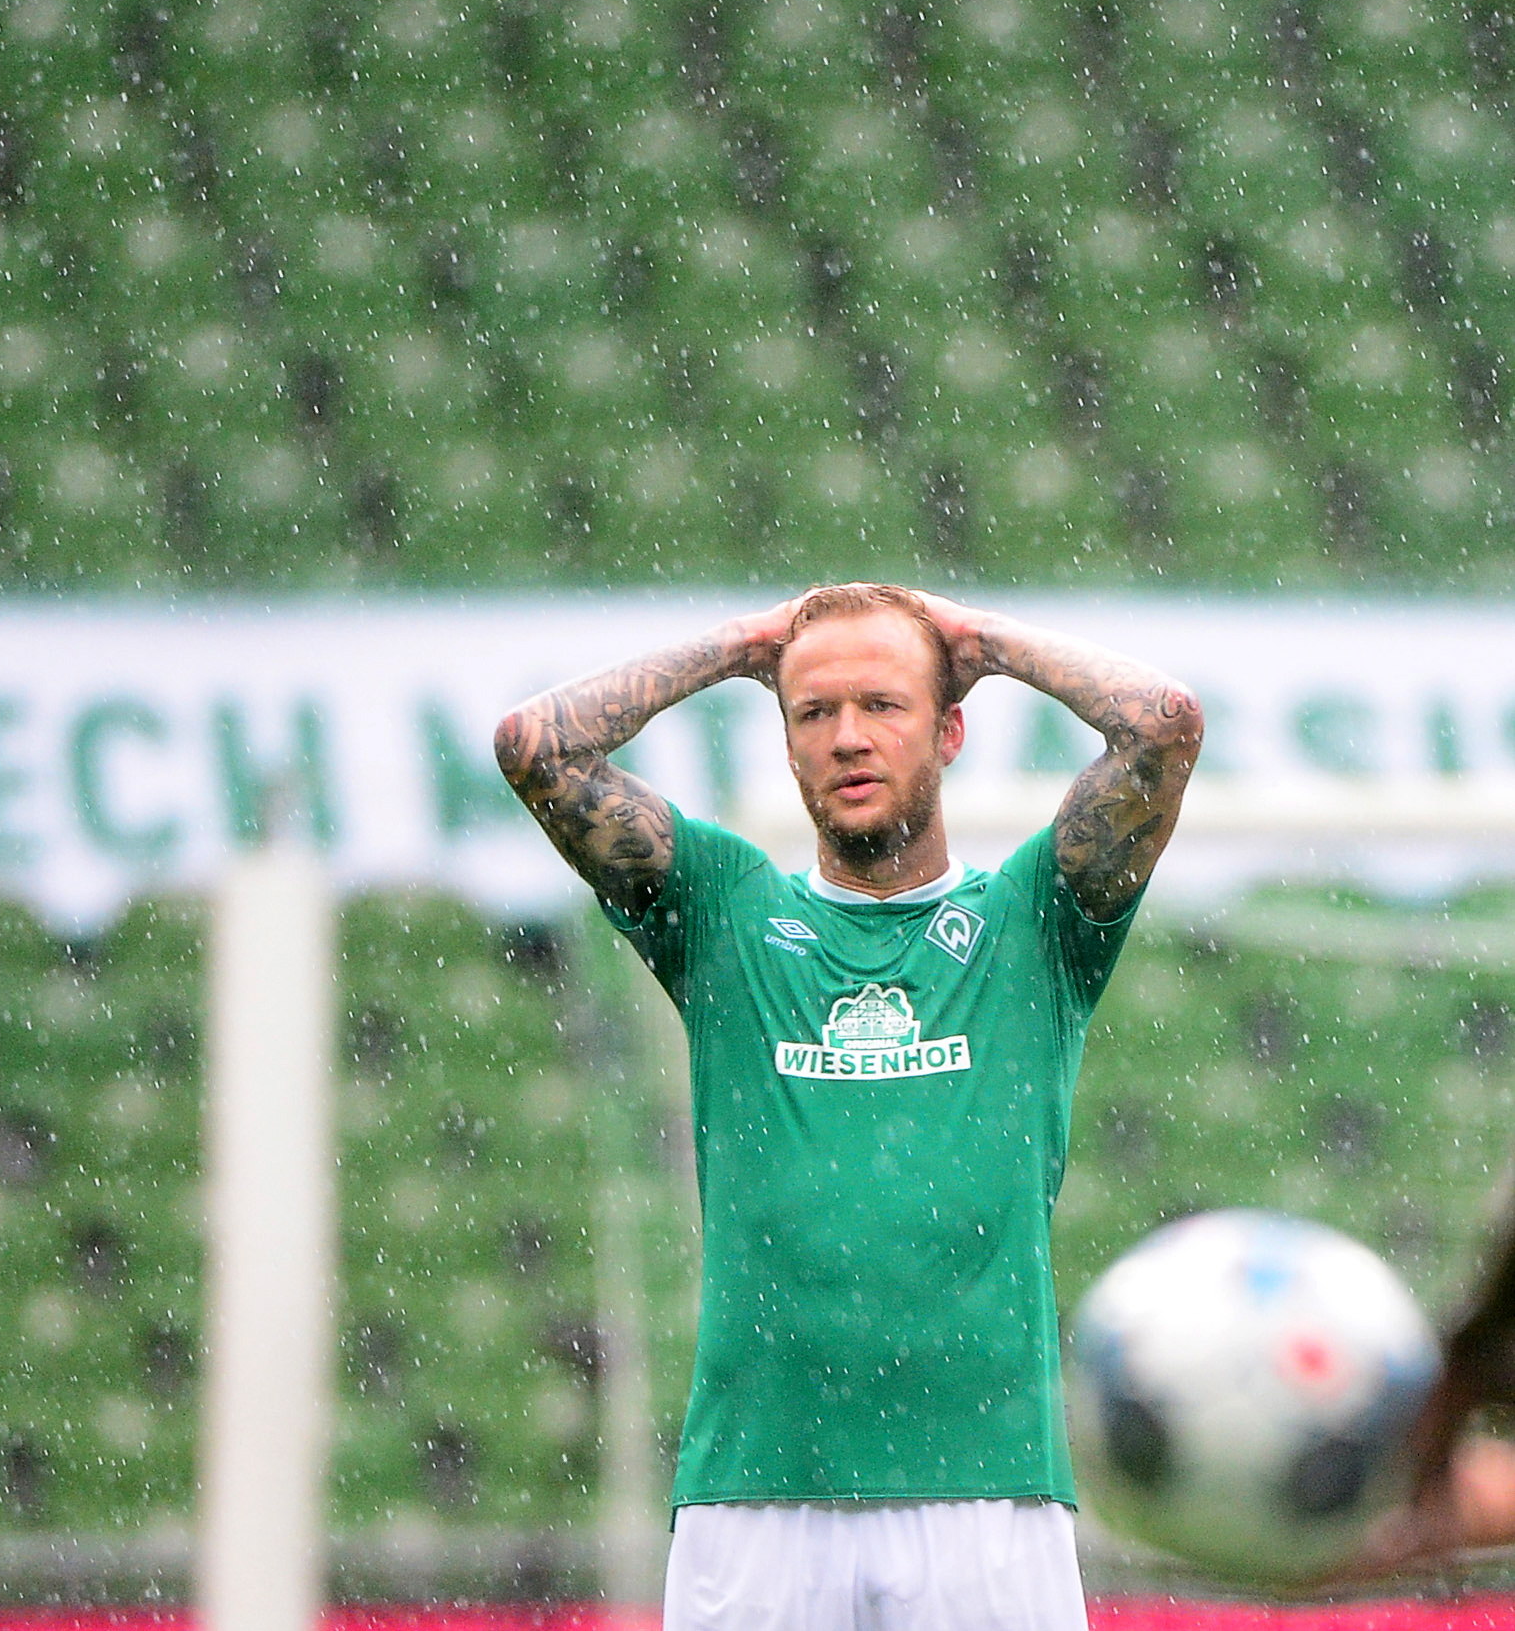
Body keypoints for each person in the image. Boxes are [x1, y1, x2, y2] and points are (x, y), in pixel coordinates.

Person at [495, 583, 1204, 1631]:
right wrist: (741, 645)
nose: (847, 738)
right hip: (755, 1499)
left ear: (951, 728)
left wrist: (985, 641)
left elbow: (1166, 725)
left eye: (883, 704)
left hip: (988, 1499)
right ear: (784, 744)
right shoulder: (729, 910)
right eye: (813, 713)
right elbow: (533, 748)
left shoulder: (1031, 920)